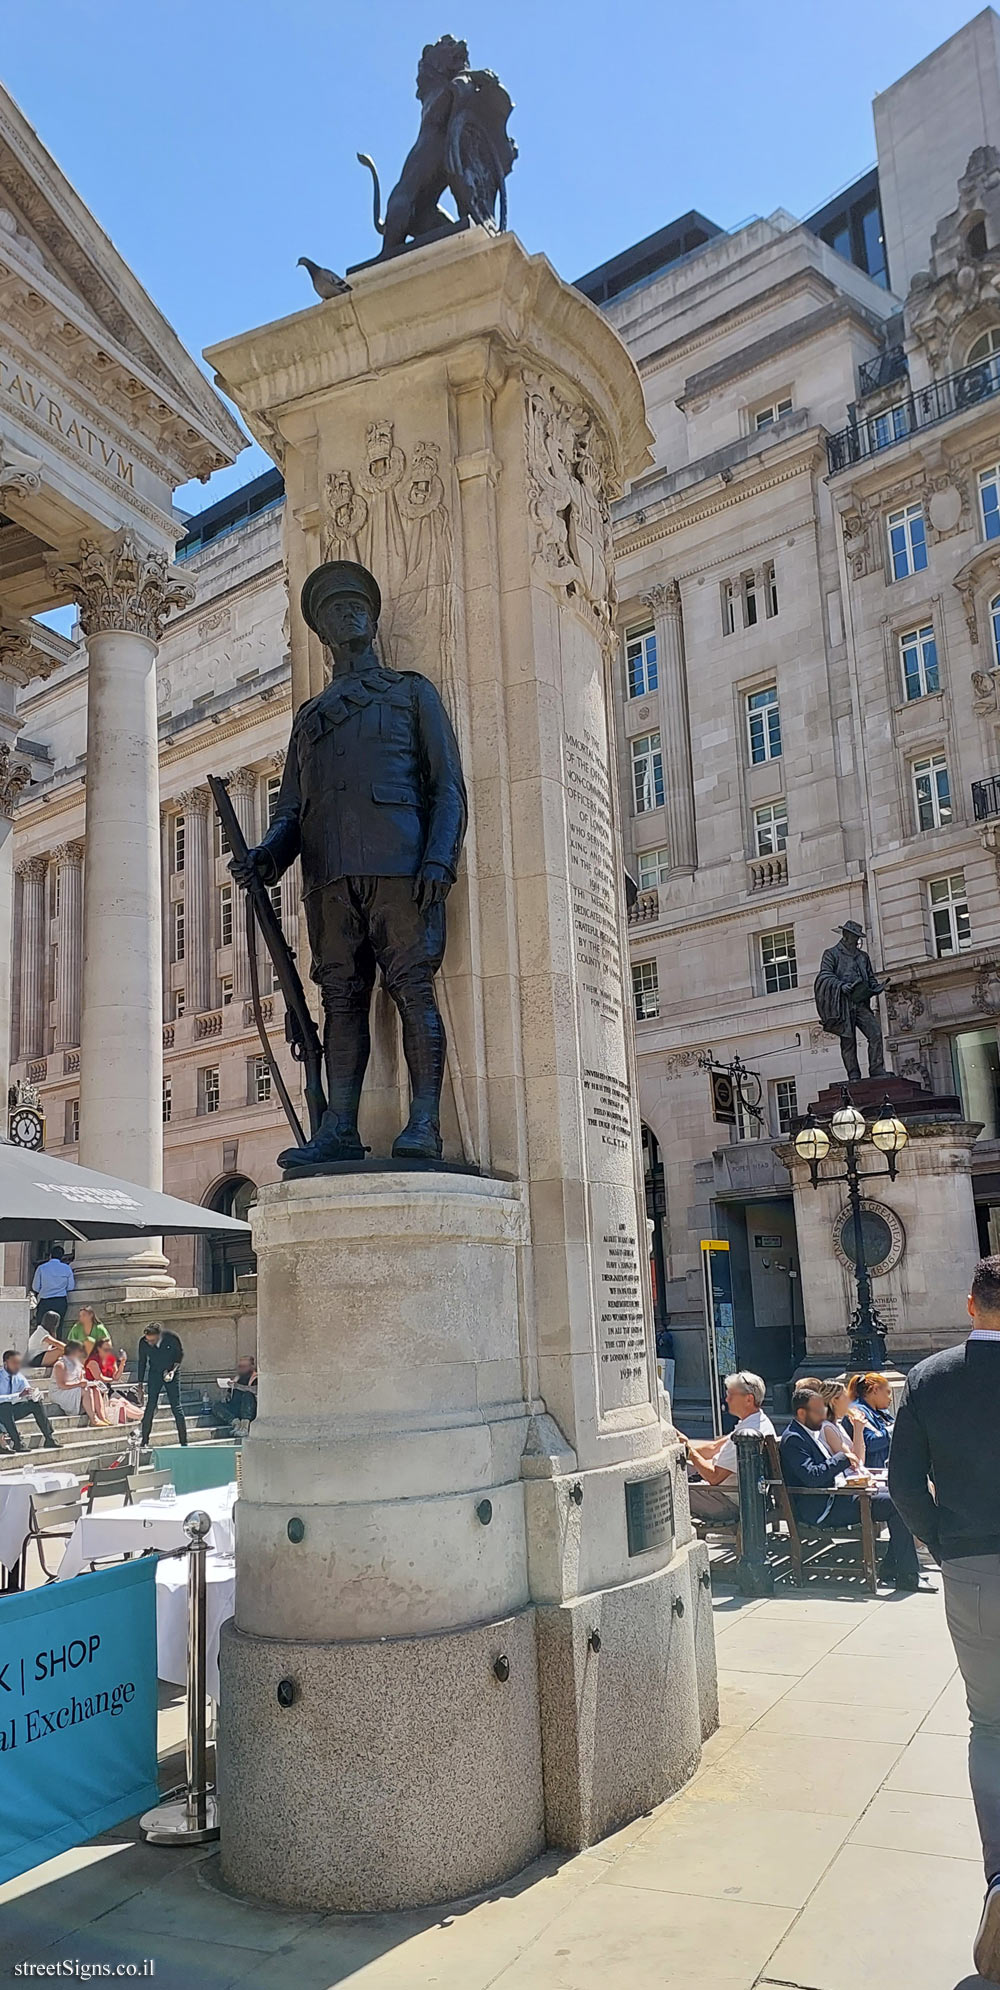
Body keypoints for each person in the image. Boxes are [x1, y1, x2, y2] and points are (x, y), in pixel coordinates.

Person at [230, 560, 467, 1167]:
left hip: (400, 863)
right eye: (334, 609)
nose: (348, 612)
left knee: (413, 989)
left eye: (356, 603)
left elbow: (446, 787)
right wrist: (267, 857)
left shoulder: (411, 691)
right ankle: (339, 1127)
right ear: (323, 631)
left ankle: (424, 1125)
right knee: (340, 1000)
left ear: (373, 615)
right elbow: (290, 809)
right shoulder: (308, 718)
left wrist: (440, 858)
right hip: (328, 877)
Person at [889, 1255, 1000, 1982]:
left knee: (990, 1723)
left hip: (973, 1567)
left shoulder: (931, 1378)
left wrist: (941, 1540)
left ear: (970, 1306)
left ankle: (999, 1876)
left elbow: (901, 1480)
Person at [780, 1382, 930, 1592]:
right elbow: (812, 1477)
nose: (823, 1413)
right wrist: (842, 1458)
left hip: (838, 1494)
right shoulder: (794, 1439)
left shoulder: (809, 1432)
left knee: (898, 1496)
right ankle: (907, 1575)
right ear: (802, 1413)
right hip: (824, 1507)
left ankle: (893, 1567)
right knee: (896, 1505)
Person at [682, 1372, 775, 1523]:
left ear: (748, 1399)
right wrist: (680, 1445)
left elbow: (714, 1477)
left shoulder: (746, 1435)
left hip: (731, 1501)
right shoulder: (758, 1422)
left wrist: (690, 1453)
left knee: (670, 1489)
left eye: (731, 1394)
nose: (726, 1399)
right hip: (742, 1495)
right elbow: (713, 1447)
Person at [813, 919, 887, 1081]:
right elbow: (824, 976)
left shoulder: (863, 957)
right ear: (846, 935)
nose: (857, 940)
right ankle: (853, 1073)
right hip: (843, 1004)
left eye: (858, 936)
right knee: (848, 1040)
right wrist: (841, 986)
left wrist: (876, 987)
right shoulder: (831, 953)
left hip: (860, 1002)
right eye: (854, 936)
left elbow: (870, 978)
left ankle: (876, 1068)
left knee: (875, 1033)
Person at [137, 1323, 187, 1448]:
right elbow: (142, 1362)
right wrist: (140, 1384)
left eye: (152, 1340)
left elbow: (179, 1357)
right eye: (148, 1340)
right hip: (155, 1372)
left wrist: (172, 1372)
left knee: (176, 1406)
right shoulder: (143, 1343)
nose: (150, 1343)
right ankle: (144, 1441)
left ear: (159, 1336)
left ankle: (184, 1442)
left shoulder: (171, 1338)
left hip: (171, 1371)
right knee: (150, 1406)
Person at [0, 1349, 58, 1451]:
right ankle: (17, 1442)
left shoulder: (19, 1377)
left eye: (19, 1363)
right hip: (2, 1411)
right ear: (5, 1363)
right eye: (14, 1363)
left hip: (12, 1411)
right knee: (5, 1405)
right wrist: (18, 1395)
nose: (17, 1366)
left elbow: (27, 1391)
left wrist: (34, 1395)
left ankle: (49, 1438)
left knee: (36, 1403)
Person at [84, 1343, 142, 1423]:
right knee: (116, 1403)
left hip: (107, 1388)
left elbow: (116, 1377)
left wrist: (122, 1363)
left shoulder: (110, 1359)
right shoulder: (93, 1360)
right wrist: (111, 1379)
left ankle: (143, 1414)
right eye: (105, 1349)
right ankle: (142, 1416)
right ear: (98, 1349)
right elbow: (99, 1377)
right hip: (97, 1389)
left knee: (124, 1401)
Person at [847, 1371, 894, 1469]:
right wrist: (895, 1428)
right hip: (871, 1470)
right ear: (875, 1389)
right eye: (888, 1392)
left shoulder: (881, 1412)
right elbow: (870, 1442)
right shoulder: (857, 1411)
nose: (890, 1399)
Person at [817, 1378, 866, 1467]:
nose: (849, 1402)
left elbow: (861, 1460)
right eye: (846, 1398)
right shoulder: (827, 1428)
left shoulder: (837, 1425)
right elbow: (854, 1463)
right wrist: (858, 1430)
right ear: (834, 1401)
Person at [29, 1244, 75, 1327]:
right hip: (60, 1301)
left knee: (42, 1328)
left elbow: (35, 1287)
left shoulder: (41, 1268)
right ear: (62, 1256)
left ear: (50, 1255)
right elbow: (71, 1287)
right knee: (58, 1326)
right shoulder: (67, 1268)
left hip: (45, 1301)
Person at [211, 1355, 258, 1429]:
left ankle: (244, 1426)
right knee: (216, 1406)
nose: (242, 1368)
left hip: (248, 1409)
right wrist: (226, 1393)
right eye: (240, 1366)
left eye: (244, 1366)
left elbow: (256, 1390)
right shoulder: (238, 1377)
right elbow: (229, 1395)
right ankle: (235, 1423)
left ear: (251, 1366)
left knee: (248, 1395)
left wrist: (238, 1386)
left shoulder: (255, 1377)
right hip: (235, 1407)